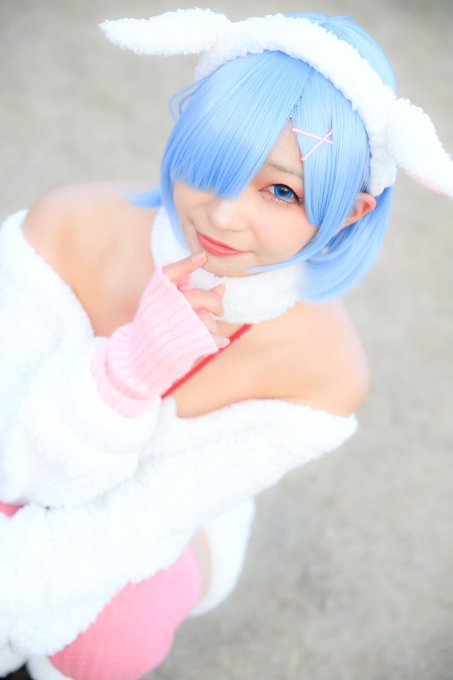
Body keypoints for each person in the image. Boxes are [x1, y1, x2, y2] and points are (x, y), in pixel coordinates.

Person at [1, 9, 452, 680]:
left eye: (281, 191)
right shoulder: (68, 224)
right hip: (26, 456)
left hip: (165, 531)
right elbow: (12, 459)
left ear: (350, 212)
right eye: (214, 162)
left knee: (115, 638)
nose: (221, 214)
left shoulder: (325, 371)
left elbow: (136, 521)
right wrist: (125, 374)